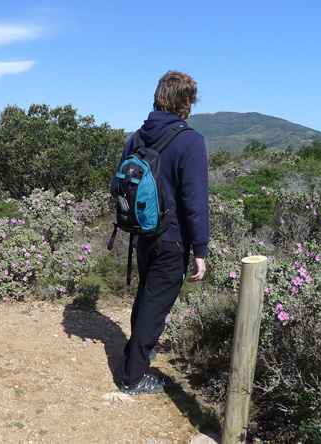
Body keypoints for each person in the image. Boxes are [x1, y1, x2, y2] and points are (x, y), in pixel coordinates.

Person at [113, 70, 210, 394]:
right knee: (154, 307)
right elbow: (195, 202)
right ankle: (133, 376)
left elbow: (118, 183)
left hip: (142, 234)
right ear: (184, 101)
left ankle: (134, 352)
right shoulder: (190, 141)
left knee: (146, 298)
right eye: (190, 100)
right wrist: (201, 251)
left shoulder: (137, 136)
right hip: (173, 239)